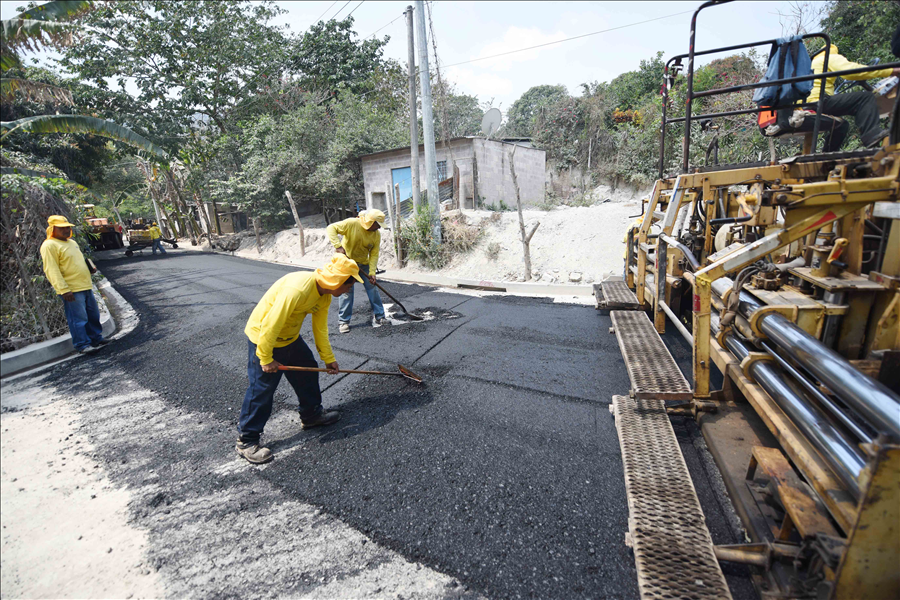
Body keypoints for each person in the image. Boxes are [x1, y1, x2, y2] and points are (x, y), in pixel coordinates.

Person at [236, 253, 365, 464]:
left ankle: (311, 415)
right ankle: (247, 440)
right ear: (337, 281)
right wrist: (266, 358)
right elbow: (271, 324)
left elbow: (320, 328)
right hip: (264, 338)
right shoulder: (297, 290)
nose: (349, 289)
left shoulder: (323, 295)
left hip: (289, 338)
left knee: (307, 371)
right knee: (262, 388)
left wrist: (328, 358)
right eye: (349, 284)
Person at [807, 44, 900, 151]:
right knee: (866, 98)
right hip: (819, 102)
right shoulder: (829, 57)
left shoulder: (812, 64)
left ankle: (825, 158)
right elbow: (852, 71)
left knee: (842, 126)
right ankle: (872, 135)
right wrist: (890, 71)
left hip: (807, 104)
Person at [40, 215, 109, 355]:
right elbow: (51, 269)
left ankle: (96, 339)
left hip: (85, 285)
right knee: (78, 319)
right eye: (62, 228)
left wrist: (90, 267)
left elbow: (79, 259)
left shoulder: (72, 242)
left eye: (68, 228)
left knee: (93, 315)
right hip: (71, 289)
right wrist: (63, 289)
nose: (66, 230)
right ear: (53, 229)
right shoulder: (49, 245)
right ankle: (82, 344)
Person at [326, 209, 387, 333]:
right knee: (347, 291)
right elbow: (331, 228)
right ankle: (343, 322)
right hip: (347, 264)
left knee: (373, 288)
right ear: (371, 222)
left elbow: (374, 254)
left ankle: (380, 316)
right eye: (378, 225)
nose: (379, 228)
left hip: (363, 265)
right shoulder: (352, 223)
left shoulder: (376, 235)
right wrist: (338, 246)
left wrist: (372, 272)